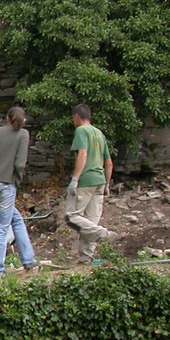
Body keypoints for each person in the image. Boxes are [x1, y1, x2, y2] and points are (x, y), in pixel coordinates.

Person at [0, 106, 39, 278]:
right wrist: (16, 181)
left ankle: (28, 259)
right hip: (5, 184)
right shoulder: (23, 135)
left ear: (7, 118)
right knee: (3, 227)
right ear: (23, 120)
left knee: (16, 219)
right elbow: (20, 164)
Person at [65, 104, 117, 262]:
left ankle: (104, 235)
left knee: (71, 216)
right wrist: (107, 185)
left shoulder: (81, 131)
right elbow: (108, 163)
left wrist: (75, 179)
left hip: (87, 180)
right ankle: (86, 258)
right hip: (100, 181)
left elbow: (83, 154)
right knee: (90, 221)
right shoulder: (99, 134)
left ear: (76, 117)